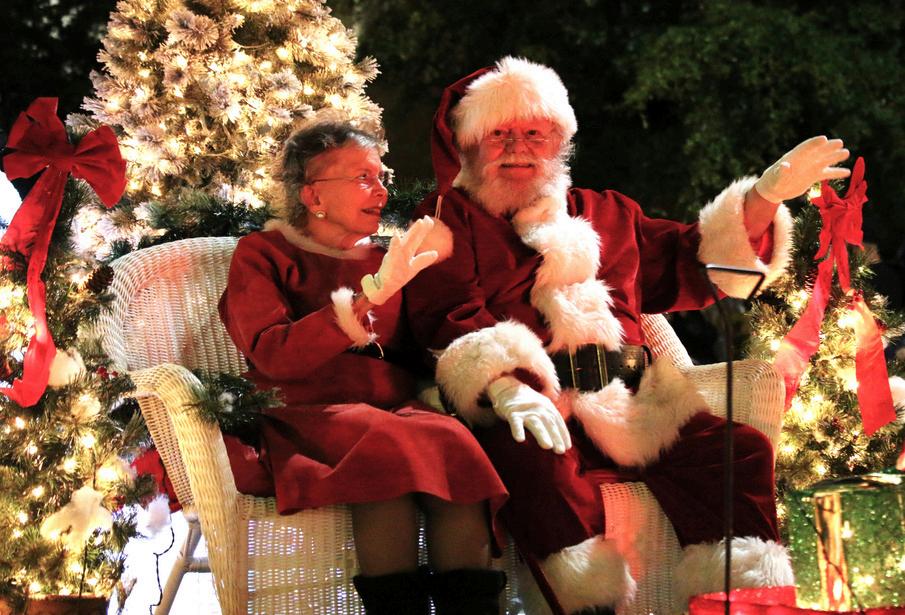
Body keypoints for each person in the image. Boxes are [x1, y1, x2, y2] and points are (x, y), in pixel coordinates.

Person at [405, 56, 851, 614]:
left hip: (635, 404)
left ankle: (741, 601)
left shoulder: (608, 213)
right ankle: (589, 604)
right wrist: (505, 386)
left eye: (534, 133)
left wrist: (763, 197)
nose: (518, 147)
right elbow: (445, 313)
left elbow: (698, 263)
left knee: (738, 451)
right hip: (531, 404)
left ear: (559, 140)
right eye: (499, 134)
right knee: (534, 459)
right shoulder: (447, 220)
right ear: (468, 144)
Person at [218, 122, 509, 614]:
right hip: (306, 412)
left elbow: (425, 342)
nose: (381, 191)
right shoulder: (264, 253)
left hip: (393, 407)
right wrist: (368, 296)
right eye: (362, 178)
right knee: (384, 446)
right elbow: (272, 353)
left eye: (380, 176)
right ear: (313, 195)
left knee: (453, 440)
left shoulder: (388, 258)